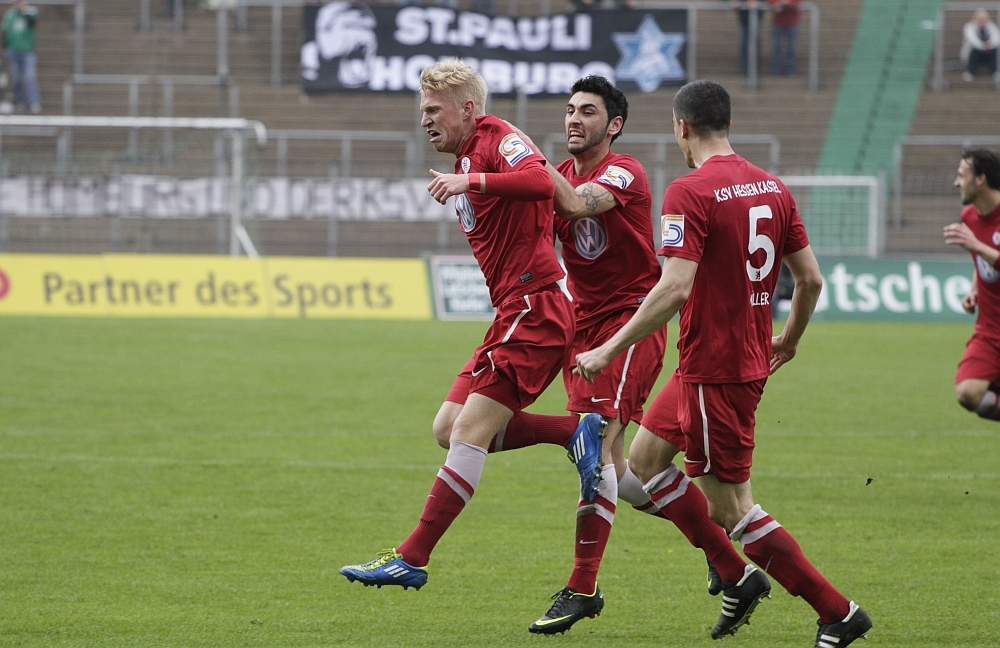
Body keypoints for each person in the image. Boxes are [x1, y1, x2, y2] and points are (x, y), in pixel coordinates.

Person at [575, 79, 873, 648]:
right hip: (718, 362)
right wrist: (789, 340)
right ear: (727, 124)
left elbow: (674, 288)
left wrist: (609, 348)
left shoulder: (688, 191)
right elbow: (810, 279)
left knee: (734, 509)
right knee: (645, 460)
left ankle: (838, 612)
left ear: (681, 127)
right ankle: (734, 575)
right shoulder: (773, 187)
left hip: (717, 371)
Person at [339, 59, 589, 595]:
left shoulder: (496, 137)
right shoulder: (469, 153)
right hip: (513, 311)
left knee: (470, 432)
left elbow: (538, 181)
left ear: (468, 109)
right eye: (422, 111)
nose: (424, 120)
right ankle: (572, 431)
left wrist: (469, 180)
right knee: (447, 427)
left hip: (536, 306)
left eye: (434, 110)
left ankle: (412, 557)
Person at [943, 148, 1000, 421]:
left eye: (961, 175)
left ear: (980, 179)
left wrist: (977, 245)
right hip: (990, 331)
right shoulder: (969, 217)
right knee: (968, 393)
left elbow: (980, 249)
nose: (956, 183)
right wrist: (974, 289)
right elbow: (981, 261)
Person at [2, 0, 40, 114]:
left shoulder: (31, 11)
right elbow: (5, 32)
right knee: (16, 78)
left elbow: (33, 23)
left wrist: (24, 12)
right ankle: (20, 101)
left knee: (29, 77)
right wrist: (6, 46)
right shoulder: (10, 14)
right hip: (13, 51)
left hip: (27, 51)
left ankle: (34, 102)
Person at [960, 9, 1000, 81]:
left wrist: (991, 45)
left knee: (995, 51)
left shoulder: (990, 25)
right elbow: (973, 40)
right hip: (975, 54)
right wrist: (984, 46)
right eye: (980, 20)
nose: (982, 22)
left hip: (988, 53)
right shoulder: (969, 26)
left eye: (984, 20)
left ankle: (995, 72)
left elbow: (996, 37)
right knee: (974, 50)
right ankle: (970, 72)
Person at [731, 0, 764, 76]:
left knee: (755, 45)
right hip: (743, 20)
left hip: (755, 19)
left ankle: (755, 69)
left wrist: (758, 4)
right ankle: (745, 69)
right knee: (743, 45)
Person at [768, 0, 800, 75]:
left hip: (792, 23)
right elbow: (773, 3)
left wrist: (785, 3)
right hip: (778, 23)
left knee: (792, 48)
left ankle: (790, 71)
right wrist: (779, 3)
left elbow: (797, 3)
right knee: (777, 48)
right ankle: (775, 71)